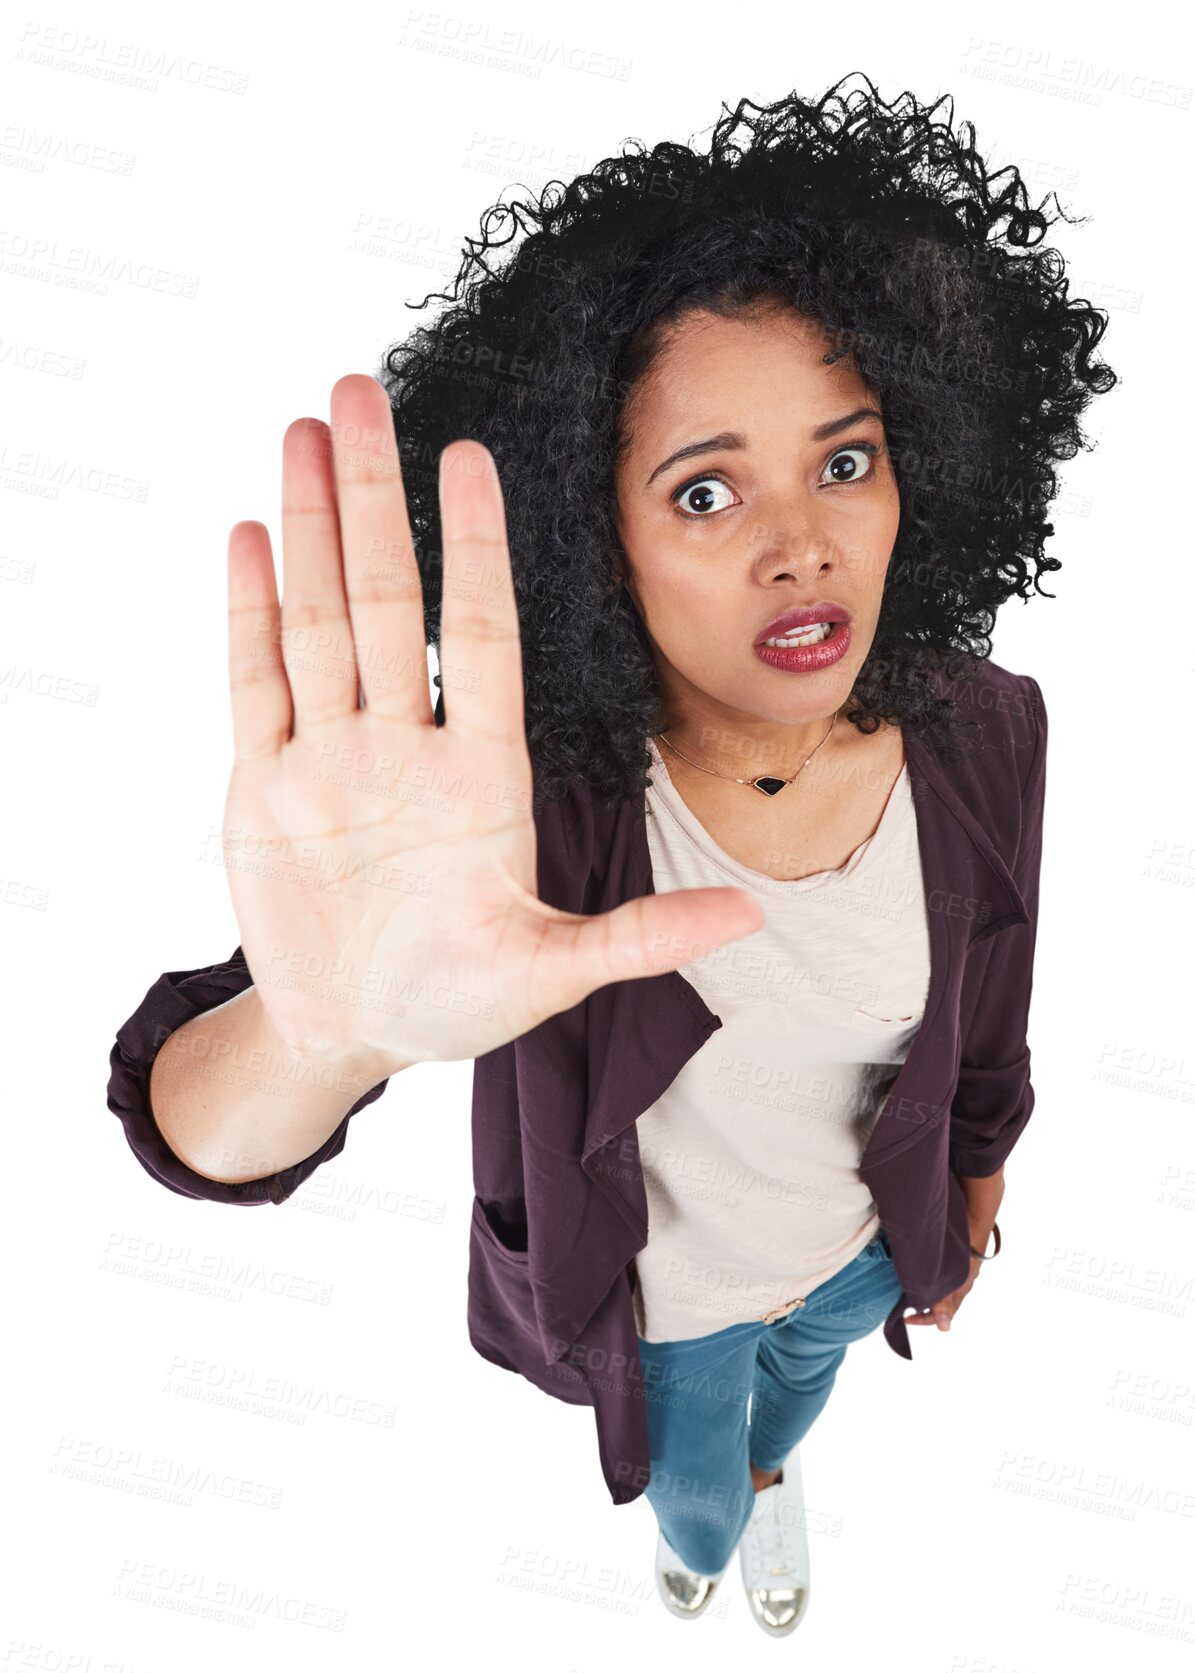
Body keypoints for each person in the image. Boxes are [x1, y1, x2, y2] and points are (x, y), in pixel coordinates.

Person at [107, 74, 1116, 1636]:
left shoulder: (984, 727)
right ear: (595, 534)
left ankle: (775, 1484)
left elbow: (995, 1002)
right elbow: (200, 1120)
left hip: (863, 1258)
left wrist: (976, 1185)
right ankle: (713, 1541)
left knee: (806, 1408)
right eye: (705, 490)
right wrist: (326, 1035)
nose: (803, 542)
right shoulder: (544, 807)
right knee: (704, 1482)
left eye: (845, 460)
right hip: (672, 1320)